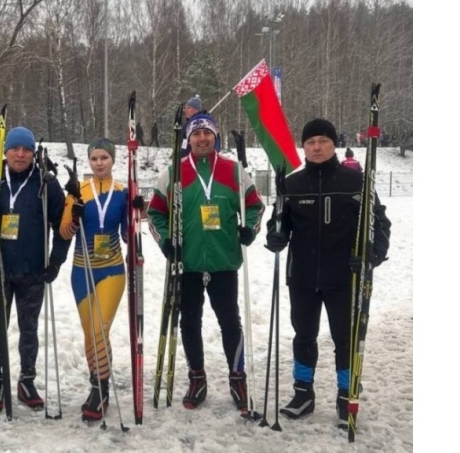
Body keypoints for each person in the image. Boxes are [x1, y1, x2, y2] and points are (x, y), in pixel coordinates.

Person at [265, 118, 391, 429]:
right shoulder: (292, 184)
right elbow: (278, 223)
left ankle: (346, 395)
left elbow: (379, 223)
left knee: (345, 338)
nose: (317, 147)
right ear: (304, 147)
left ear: (334, 144)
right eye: (310, 142)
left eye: (323, 141)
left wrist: (372, 254)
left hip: (344, 275)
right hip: (302, 276)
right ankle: (303, 393)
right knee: (303, 336)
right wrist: (276, 236)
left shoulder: (356, 182)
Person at [147, 112, 264, 413]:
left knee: (230, 322)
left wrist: (249, 228)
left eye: (207, 133)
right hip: (187, 262)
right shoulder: (174, 173)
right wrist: (165, 241)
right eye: (196, 134)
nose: (202, 139)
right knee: (189, 322)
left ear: (215, 136)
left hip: (224, 261)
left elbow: (255, 206)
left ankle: (237, 377)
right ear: (188, 139)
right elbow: (155, 213)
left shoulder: (232, 170)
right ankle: (196, 378)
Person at [0, 126, 71, 412]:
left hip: (34, 270)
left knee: (29, 329)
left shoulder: (46, 182)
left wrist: (56, 260)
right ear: (5, 151)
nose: (20, 154)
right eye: (15, 149)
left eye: (26, 150)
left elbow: (63, 225)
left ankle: (26, 381)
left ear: (33, 153)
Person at [59, 138, 137, 422]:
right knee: (90, 334)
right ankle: (97, 385)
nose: (99, 163)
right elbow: (64, 233)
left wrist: (136, 212)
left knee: (98, 329)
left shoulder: (122, 191)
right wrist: (74, 217)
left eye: (104, 157)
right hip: (81, 271)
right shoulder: (77, 191)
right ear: (89, 161)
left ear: (113, 159)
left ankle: (101, 389)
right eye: (94, 158)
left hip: (111, 271)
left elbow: (128, 236)